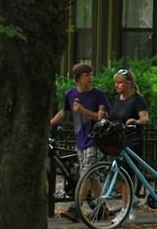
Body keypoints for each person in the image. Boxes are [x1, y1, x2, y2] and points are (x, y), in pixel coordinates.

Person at [49, 63, 111, 223]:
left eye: (91, 74)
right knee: (93, 176)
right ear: (78, 78)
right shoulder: (71, 94)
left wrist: (83, 111)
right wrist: (49, 124)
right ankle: (102, 209)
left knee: (86, 174)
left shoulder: (99, 95)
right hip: (80, 140)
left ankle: (76, 209)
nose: (90, 78)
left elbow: (103, 118)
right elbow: (64, 112)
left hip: (95, 139)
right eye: (86, 75)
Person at [108, 68, 149, 157]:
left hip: (132, 141)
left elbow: (145, 119)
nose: (116, 85)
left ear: (129, 83)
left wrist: (135, 121)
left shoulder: (137, 100)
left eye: (120, 83)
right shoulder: (116, 99)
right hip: (117, 140)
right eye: (116, 82)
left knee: (128, 169)